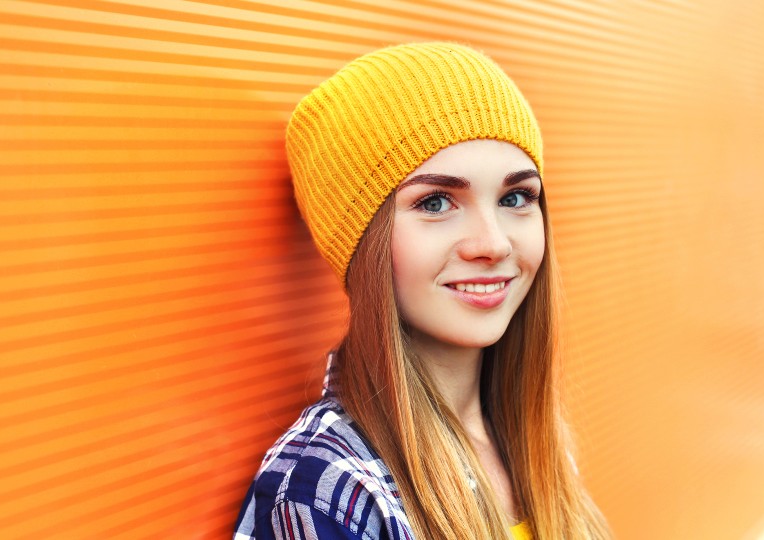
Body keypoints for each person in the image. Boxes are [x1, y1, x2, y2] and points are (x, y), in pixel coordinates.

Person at [234, 42, 611, 540]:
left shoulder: (535, 445)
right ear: (362, 244)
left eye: (515, 197)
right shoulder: (326, 489)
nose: (493, 243)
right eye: (435, 202)